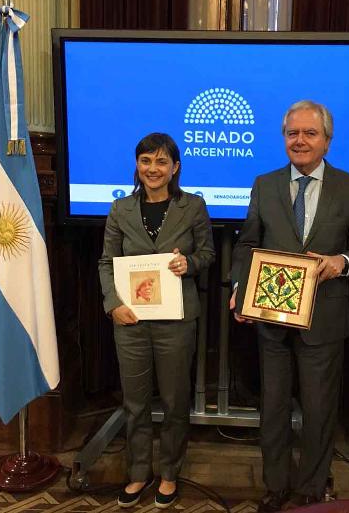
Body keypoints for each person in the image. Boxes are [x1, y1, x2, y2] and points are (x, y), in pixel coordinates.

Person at [231, 100, 349, 511]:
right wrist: (241, 286)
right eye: (292, 133)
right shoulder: (265, 184)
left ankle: (312, 489)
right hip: (271, 318)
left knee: (318, 411)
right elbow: (247, 243)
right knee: (273, 410)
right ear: (284, 138)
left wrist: (340, 263)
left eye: (309, 133)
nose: (300, 141)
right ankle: (275, 487)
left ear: (327, 141)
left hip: (325, 320)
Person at [99, 132, 215, 509]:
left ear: (175, 168)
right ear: (137, 165)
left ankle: (168, 473)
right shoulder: (120, 210)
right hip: (129, 321)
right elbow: (106, 263)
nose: (153, 168)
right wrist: (112, 303)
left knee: (175, 400)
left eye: (161, 161)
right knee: (135, 403)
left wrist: (190, 263)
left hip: (176, 322)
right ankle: (137, 473)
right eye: (146, 160)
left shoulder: (193, 207)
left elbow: (208, 254)